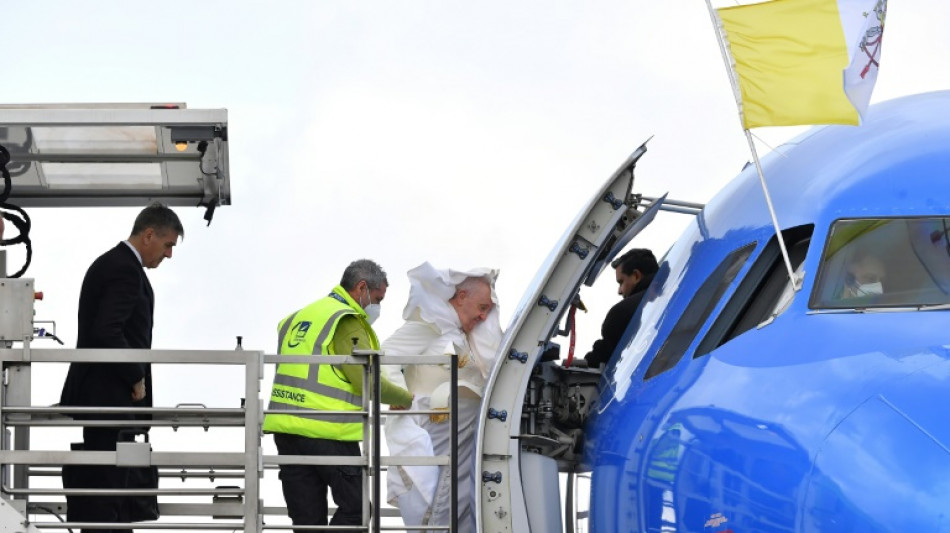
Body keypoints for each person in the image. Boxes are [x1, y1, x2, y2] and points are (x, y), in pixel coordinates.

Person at [59, 202, 184, 532]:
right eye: (168, 244)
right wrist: (136, 376)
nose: (169, 254)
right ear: (148, 235)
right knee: (109, 491)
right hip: (110, 395)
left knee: (112, 489)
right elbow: (107, 331)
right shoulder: (124, 269)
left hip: (107, 395)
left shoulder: (116, 264)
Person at [262, 259, 413, 532]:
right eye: (377, 299)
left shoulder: (300, 317)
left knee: (307, 521)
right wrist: (406, 397)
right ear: (362, 288)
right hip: (326, 428)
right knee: (357, 511)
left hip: (285, 431)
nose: (377, 306)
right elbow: (366, 381)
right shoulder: (346, 320)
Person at [382, 262, 502, 533]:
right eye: (482, 308)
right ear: (461, 297)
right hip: (440, 421)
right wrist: (398, 393)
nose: (484, 318)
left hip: (464, 427)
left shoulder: (458, 333)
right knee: (444, 491)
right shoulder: (430, 325)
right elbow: (386, 355)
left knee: (463, 495)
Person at [584, 248, 658, 367]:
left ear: (636, 276)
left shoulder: (622, 312)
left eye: (621, 282)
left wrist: (587, 362)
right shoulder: (676, 292)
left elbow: (607, 351)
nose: (619, 291)